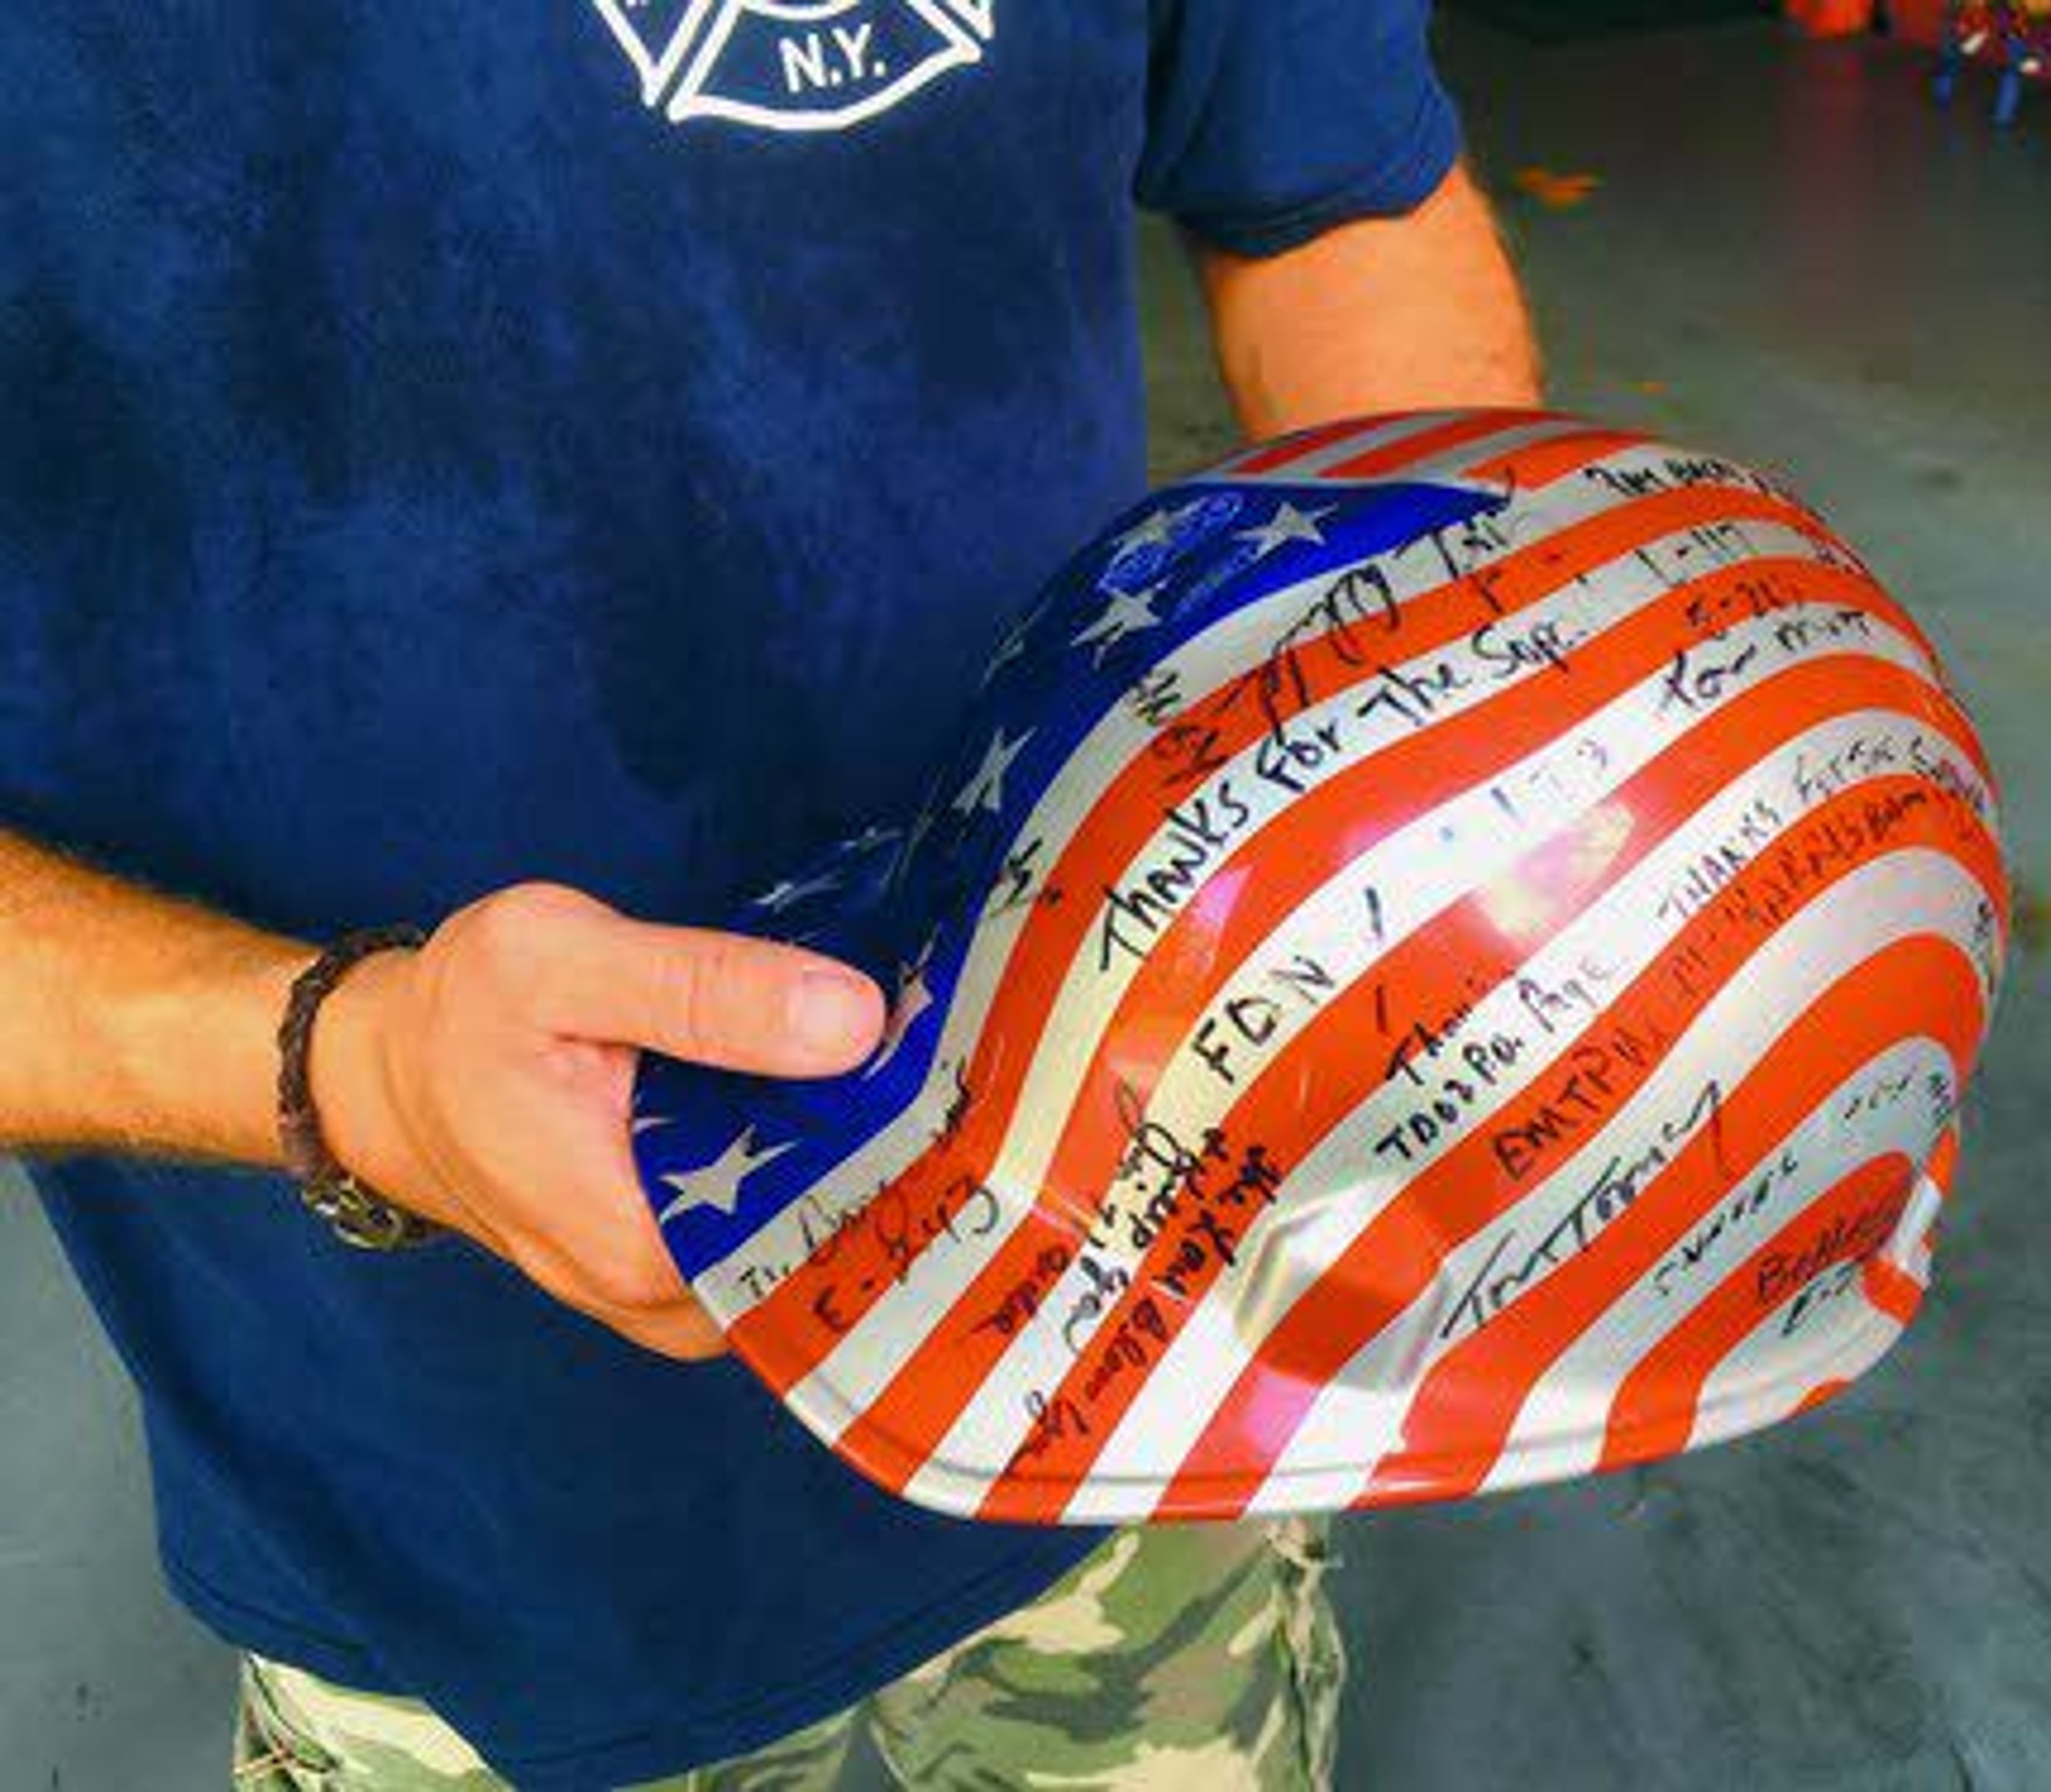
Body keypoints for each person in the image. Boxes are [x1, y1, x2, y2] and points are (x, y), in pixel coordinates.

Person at [0, 4, 1538, 1785]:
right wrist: (344, 1067)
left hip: (1136, 1309)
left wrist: (1436, 758)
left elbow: (1330, 192)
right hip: (453, 1500)